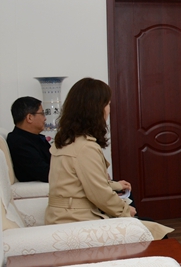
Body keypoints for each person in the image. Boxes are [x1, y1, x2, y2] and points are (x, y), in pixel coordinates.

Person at [45, 78, 171, 239]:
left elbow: (81, 183)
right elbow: (99, 194)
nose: (109, 110)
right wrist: (125, 211)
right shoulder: (85, 148)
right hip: (77, 220)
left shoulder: (65, 140)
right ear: (96, 109)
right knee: (156, 233)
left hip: (63, 216)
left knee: (145, 222)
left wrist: (115, 187)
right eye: (108, 104)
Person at [6, 97, 51, 182]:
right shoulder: (18, 142)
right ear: (29, 117)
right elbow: (45, 172)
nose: (45, 118)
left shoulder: (34, 137)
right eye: (42, 113)